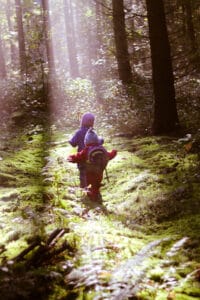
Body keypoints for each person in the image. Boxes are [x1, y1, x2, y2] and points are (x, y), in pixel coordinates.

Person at [68, 128, 117, 200]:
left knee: (85, 185)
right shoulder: (102, 148)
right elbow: (109, 155)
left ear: (86, 141)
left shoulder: (86, 150)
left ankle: (87, 196)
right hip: (99, 173)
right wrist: (114, 152)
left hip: (89, 173)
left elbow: (78, 156)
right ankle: (95, 196)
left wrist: (71, 157)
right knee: (96, 185)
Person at [68, 112, 96, 188]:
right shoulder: (93, 133)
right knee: (92, 174)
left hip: (82, 157)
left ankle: (84, 190)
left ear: (82, 121)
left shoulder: (79, 132)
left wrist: (69, 139)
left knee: (83, 174)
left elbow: (73, 143)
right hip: (93, 157)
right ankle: (93, 188)